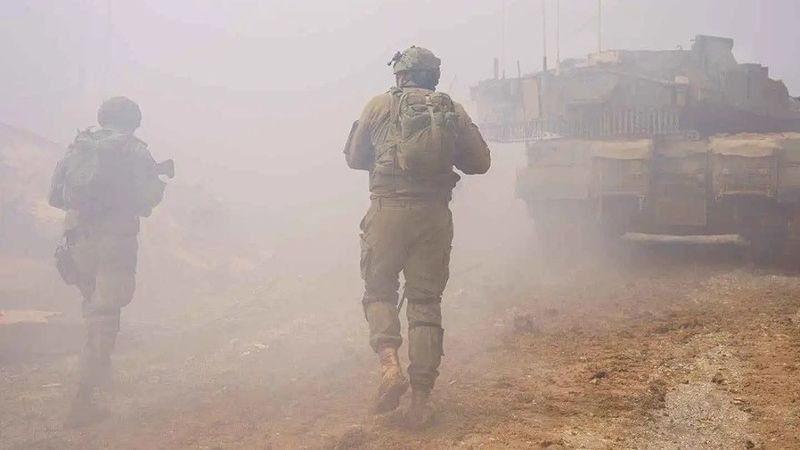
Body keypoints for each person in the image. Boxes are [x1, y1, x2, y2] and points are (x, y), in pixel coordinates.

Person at [343, 46, 490, 429]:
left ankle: (390, 366)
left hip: (387, 212)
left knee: (379, 291)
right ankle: (421, 401)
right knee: (425, 303)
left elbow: (355, 158)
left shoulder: (379, 105)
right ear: (433, 77)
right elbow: (480, 163)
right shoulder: (451, 110)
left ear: (401, 76)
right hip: (433, 217)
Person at [48, 96, 170, 426]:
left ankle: (101, 374)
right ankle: (84, 401)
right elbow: (147, 200)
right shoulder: (133, 149)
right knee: (106, 314)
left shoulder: (80, 146)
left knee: (92, 305)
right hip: (114, 241)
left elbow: (55, 197)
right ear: (133, 120)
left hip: (76, 240)